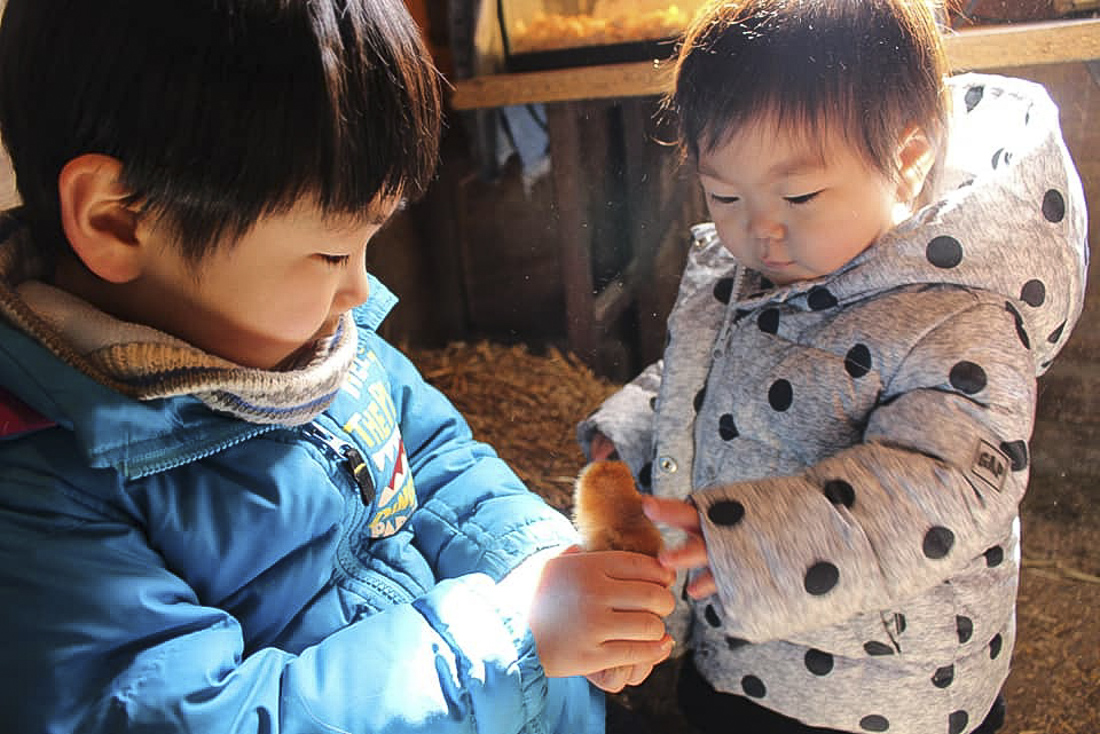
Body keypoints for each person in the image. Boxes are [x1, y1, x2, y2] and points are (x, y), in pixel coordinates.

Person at [0, 1, 677, 732]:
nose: (359, 290)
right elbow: (196, 716)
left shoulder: (309, 342)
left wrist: (540, 565)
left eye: (368, 242)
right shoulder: (42, 491)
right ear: (118, 220)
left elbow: (440, 459)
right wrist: (517, 637)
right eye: (329, 252)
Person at [578, 1, 1089, 733]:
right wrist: (627, 436)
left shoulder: (954, 315)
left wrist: (754, 549)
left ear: (908, 162)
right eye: (724, 194)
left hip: (878, 689)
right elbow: (698, 372)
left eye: (800, 195)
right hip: (736, 644)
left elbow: (943, 484)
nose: (759, 227)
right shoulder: (756, 269)